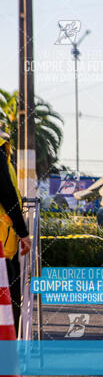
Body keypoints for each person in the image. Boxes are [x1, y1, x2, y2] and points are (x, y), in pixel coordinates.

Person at [0, 130, 32, 335]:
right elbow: (7, 193)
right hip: (2, 247)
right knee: (7, 307)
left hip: (6, 244)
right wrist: (23, 232)